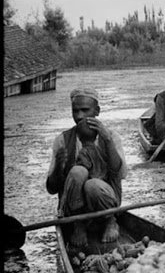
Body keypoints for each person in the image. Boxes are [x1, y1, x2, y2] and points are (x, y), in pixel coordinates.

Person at [46, 88, 128, 247]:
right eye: (75, 111)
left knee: (93, 185)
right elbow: (51, 188)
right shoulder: (62, 140)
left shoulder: (111, 136)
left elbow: (121, 173)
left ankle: (110, 221)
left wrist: (108, 141)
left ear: (97, 111)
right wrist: (58, 168)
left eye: (85, 110)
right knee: (78, 172)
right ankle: (79, 225)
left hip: (104, 204)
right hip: (74, 211)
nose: (79, 116)